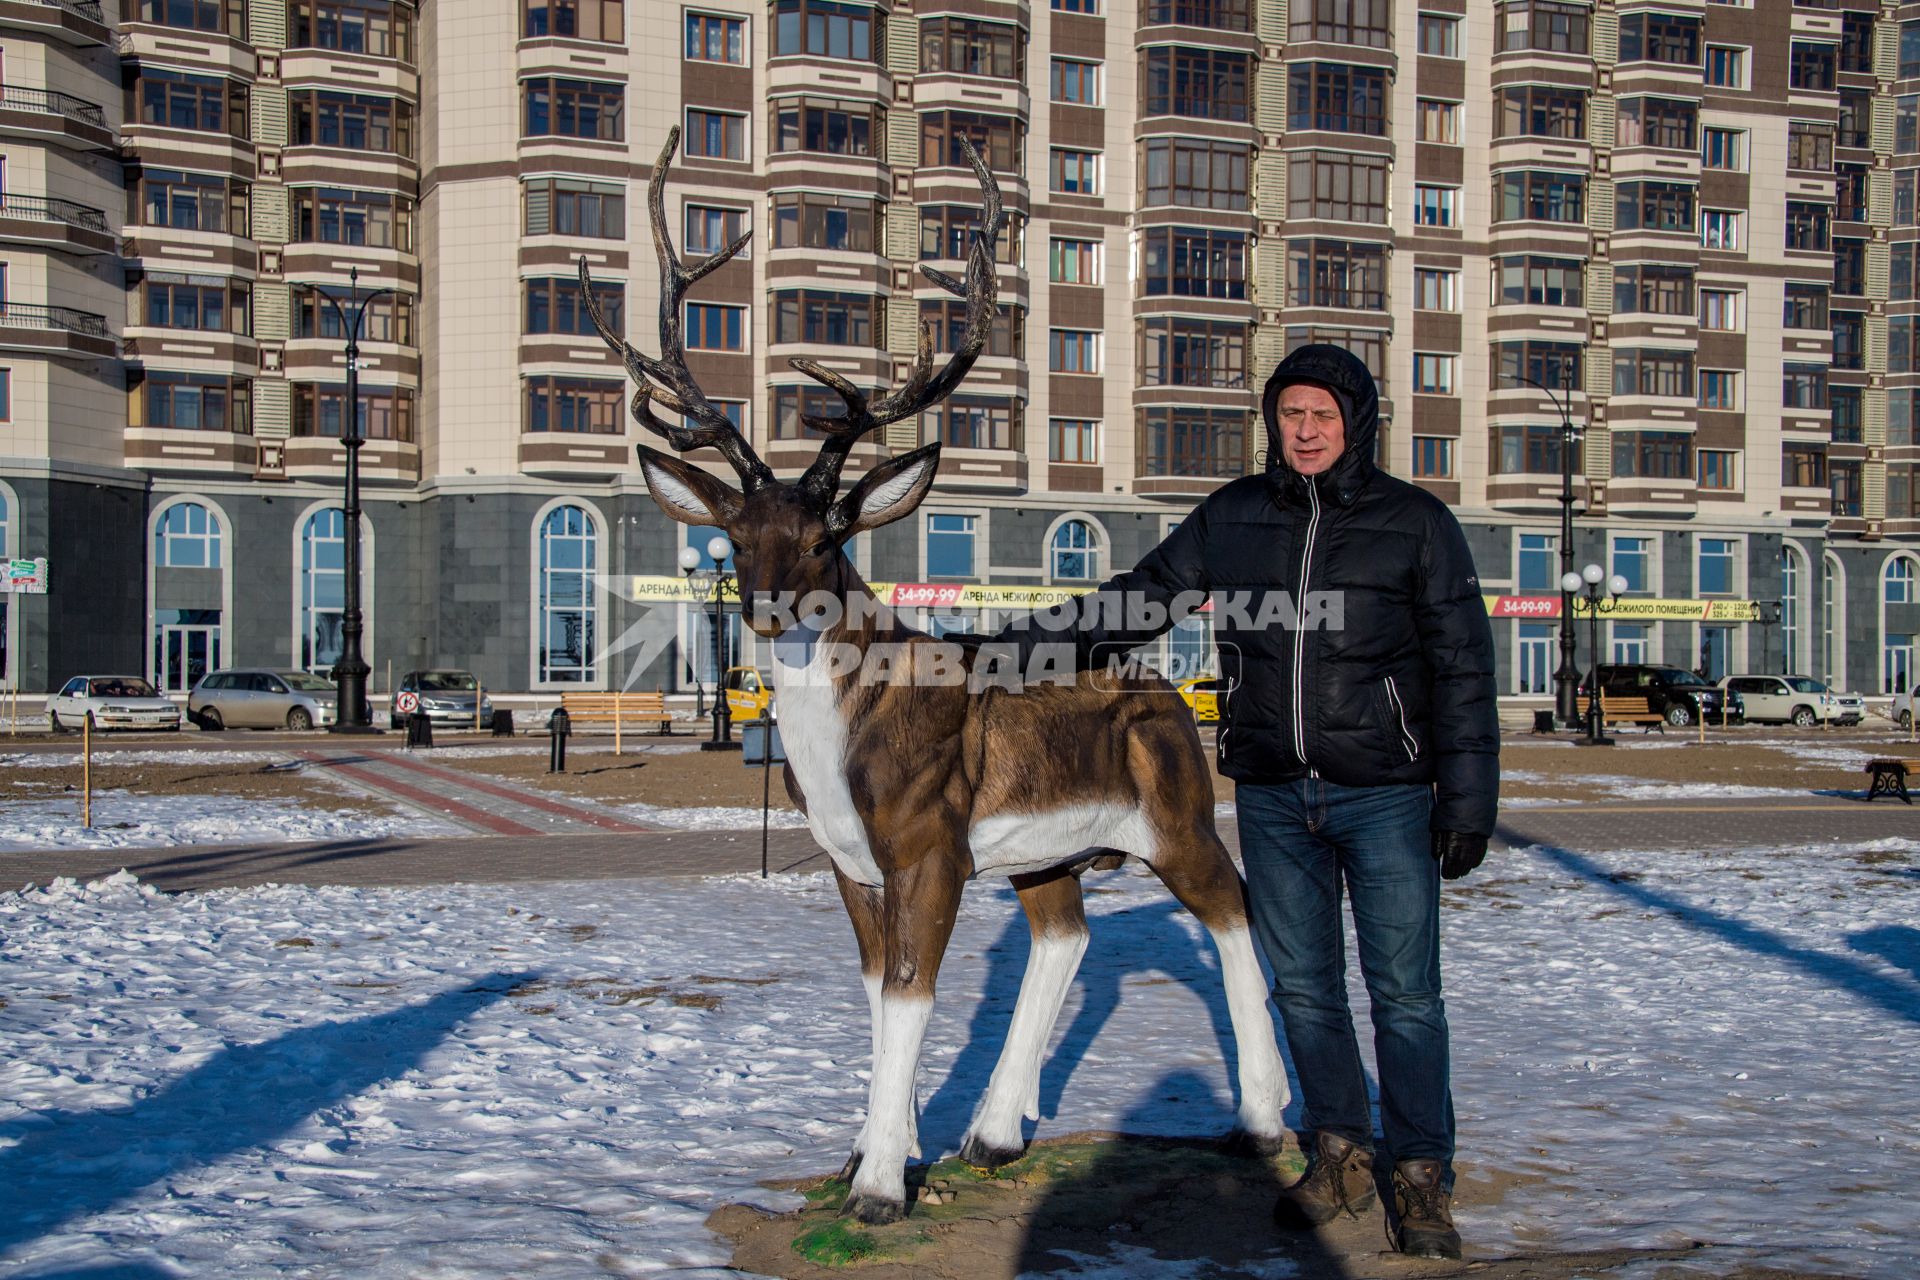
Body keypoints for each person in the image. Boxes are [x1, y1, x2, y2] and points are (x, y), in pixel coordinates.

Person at [991, 344, 1499, 1259]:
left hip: (1385, 794)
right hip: (1272, 793)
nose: (1305, 432)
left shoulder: (1415, 522)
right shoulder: (1233, 516)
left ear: (1356, 424)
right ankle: (1340, 1151)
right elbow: (1141, 599)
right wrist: (1016, 649)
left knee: (1406, 997)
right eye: (1290, 415)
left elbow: (1464, 666)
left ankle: (1420, 1175)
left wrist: (1467, 799)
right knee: (1304, 992)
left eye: (1323, 417)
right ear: (1273, 421)